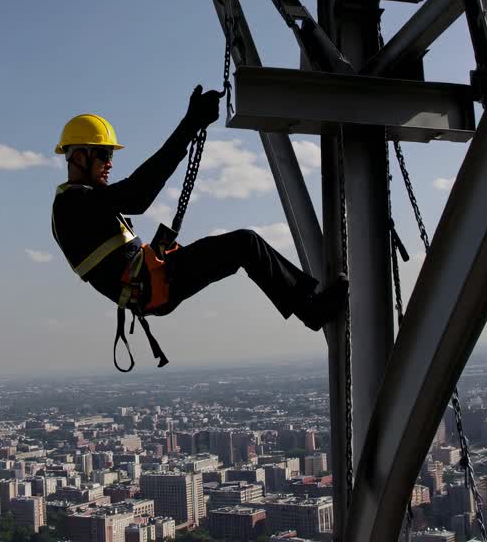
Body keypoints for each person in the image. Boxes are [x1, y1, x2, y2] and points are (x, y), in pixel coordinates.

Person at [50, 85, 348, 367]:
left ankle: (309, 305)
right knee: (244, 244)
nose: (110, 162)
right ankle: (310, 310)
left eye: (111, 154)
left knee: (242, 245)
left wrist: (191, 124)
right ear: (78, 156)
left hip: (151, 283)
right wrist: (190, 124)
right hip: (151, 286)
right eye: (104, 154)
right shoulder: (72, 206)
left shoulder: (80, 201)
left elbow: (133, 198)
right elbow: (137, 195)